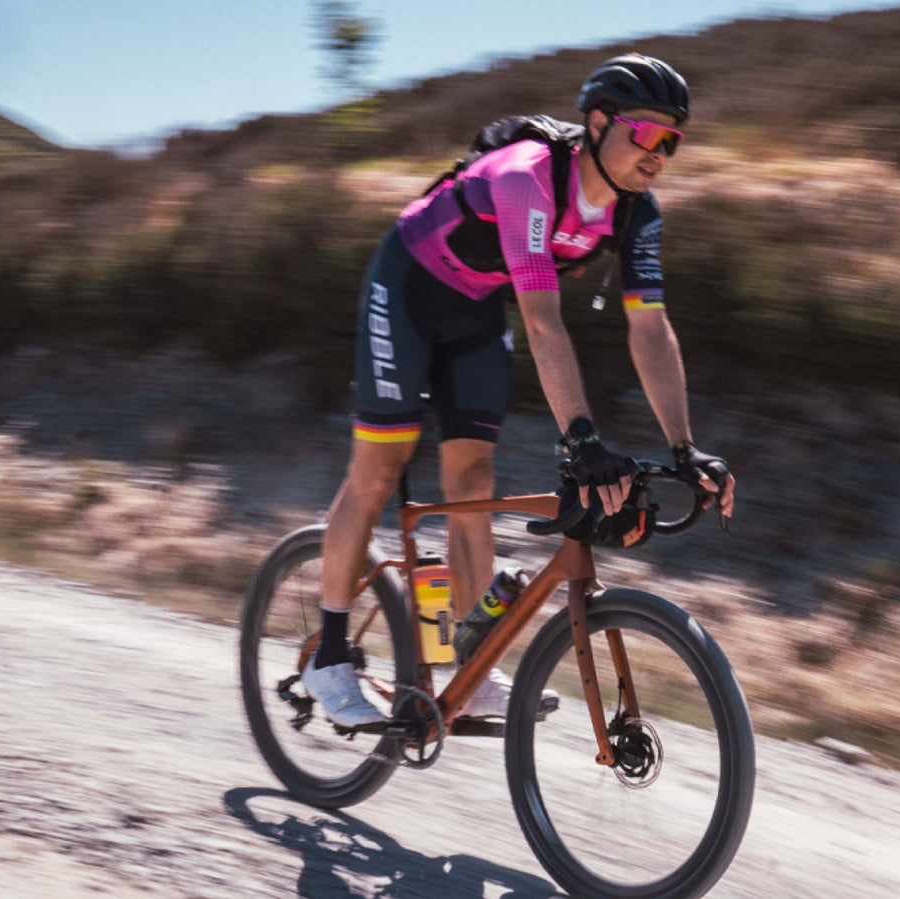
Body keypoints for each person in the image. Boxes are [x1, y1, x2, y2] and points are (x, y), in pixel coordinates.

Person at [305, 53, 736, 727]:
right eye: (647, 133)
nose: (661, 152)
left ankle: (470, 671)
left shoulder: (637, 214)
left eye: (672, 139)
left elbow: (649, 331)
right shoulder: (526, 176)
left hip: (476, 308)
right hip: (409, 289)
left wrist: (686, 447)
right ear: (597, 124)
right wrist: (582, 438)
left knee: (472, 475)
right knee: (379, 468)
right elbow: (542, 319)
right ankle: (329, 655)